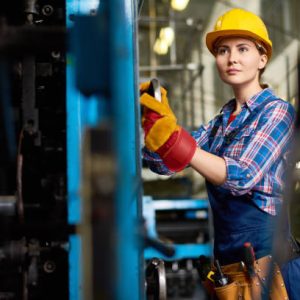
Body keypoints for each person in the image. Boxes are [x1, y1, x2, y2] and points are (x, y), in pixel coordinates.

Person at [140, 8, 296, 300]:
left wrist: (177, 142)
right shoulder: (219, 123)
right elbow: (161, 164)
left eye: (243, 49)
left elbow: (242, 176)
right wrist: (154, 127)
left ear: (262, 59)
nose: (232, 58)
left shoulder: (279, 112)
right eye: (223, 50)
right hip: (228, 266)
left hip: (270, 269)